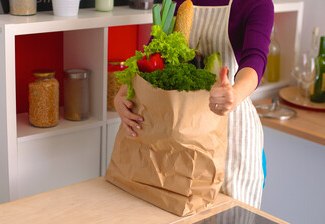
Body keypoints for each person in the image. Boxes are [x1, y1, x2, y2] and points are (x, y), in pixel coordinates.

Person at [114, 0, 274, 209]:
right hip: (181, 132)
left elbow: (256, 59)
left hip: (231, 133)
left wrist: (234, 93)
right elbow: (154, 57)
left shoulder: (257, 3)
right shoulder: (175, 2)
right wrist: (124, 94)